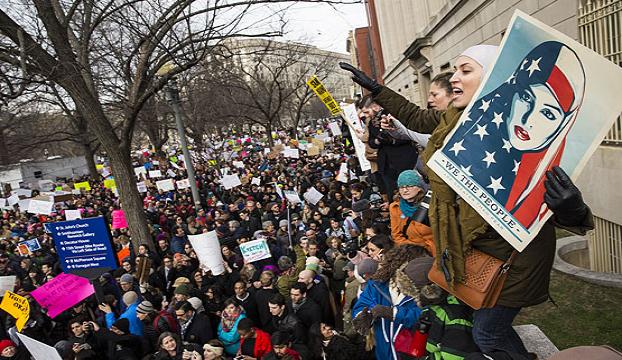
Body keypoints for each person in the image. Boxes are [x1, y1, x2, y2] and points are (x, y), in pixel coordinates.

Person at [340, 43, 594, 357]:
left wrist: (572, 207)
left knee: (488, 334)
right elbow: (417, 117)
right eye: (456, 69)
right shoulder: (458, 118)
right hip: (471, 250)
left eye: (466, 70)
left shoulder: (513, 130)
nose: (454, 78)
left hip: (512, 260)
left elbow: (532, 201)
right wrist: (377, 89)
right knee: (479, 325)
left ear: (492, 77)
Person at [351, 245, 429, 360]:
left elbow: (427, 316)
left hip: (410, 354)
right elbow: (361, 305)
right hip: (383, 352)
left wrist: (393, 313)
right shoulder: (377, 285)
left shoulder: (426, 291)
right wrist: (364, 315)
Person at [389, 169, 435, 254]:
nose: (405, 190)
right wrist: (413, 250)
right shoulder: (395, 207)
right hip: (410, 252)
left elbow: (436, 235)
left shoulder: (429, 204)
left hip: (432, 252)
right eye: (401, 187)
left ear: (418, 188)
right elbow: (396, 235)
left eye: (409, 186)